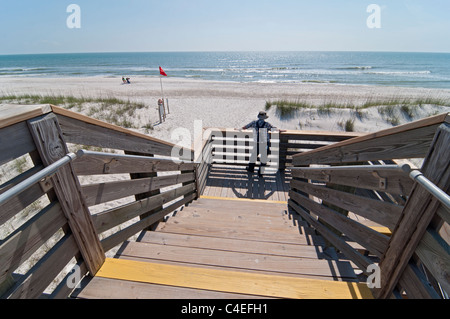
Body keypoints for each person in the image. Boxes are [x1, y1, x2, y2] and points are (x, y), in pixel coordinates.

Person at [242, 111, 282, 177]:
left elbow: (245, 127)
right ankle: (260, 172)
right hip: (265, 143)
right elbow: (274, 129)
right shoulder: (266, 124)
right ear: (264, 118)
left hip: (257, 142)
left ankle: (251, 169)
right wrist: (280, 130)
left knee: (254, 156)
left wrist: (239, 128)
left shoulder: (254, 123)